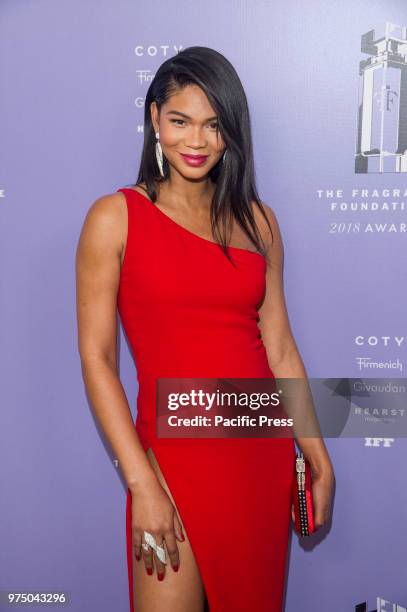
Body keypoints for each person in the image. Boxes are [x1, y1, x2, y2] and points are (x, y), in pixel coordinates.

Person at [75, 46, 334, 612]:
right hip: (170, 462)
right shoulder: (114, 218)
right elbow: (98, 360)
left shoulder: (258, 221)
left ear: (231, 133)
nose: (197, 142)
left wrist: (315, 453)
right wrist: (142, 484)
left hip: (259, 456)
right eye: (180, 121)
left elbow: (281, 349)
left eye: (214, 125)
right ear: (154, 121)